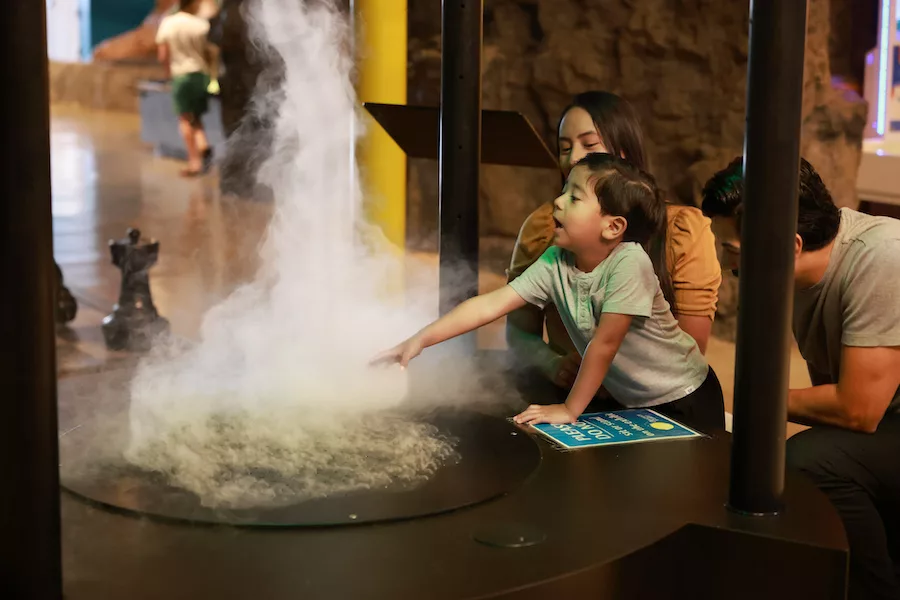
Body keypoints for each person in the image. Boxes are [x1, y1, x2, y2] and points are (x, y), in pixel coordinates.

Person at [375, 153, 725, 432]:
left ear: (613, 226)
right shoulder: (557, 259)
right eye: (564, 192)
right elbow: (491, 305)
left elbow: (604, 345)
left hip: (686, 396)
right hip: (635, 403)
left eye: (574, 197)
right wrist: (419, 340)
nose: (557, 202)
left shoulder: (629, 264)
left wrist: (570, 409)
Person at [702, 157, 900, 600]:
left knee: (811, 460)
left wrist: (753, 405)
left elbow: (856, 409)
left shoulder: (881, 257)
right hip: (889, 417)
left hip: (883, 416)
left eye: (731, 252)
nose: (724, 264)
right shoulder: (800, 276)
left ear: (787, 245)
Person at [507, 91, 721, 400]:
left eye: (589, 144)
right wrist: (553, 364)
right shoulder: (545, 227)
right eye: (564, 147)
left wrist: (612, 376)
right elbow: (518, 329)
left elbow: (691, 351)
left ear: (625, 152)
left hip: (657, 399)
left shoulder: (682, 230)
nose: (573, 158)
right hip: (572, 394)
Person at [156, 0, 220, 177]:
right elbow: (210, 52)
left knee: (184, 119)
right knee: (196, 116)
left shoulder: (169, 23)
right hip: (200, 75)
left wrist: (167, 75)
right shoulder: (201, 25)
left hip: (182, 76)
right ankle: (203, 146)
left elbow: (163, 54)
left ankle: (194, 162)